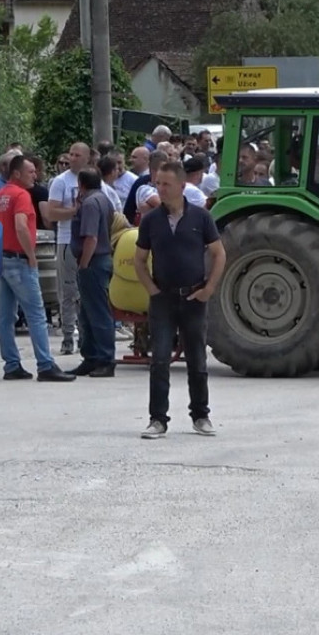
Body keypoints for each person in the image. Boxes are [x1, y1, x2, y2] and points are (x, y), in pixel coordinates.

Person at [134, 162, 227, 438]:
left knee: (197, 360)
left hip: (194, 298)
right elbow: (139, 259)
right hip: (163, 299)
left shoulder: (201, 218)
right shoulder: (151, 220)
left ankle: (200, 415)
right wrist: (151, 289)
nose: (160, 189)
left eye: (166, 184)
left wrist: (209, 288)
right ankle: (158, 419)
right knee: (160, 359)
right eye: (158, 184)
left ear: (182, 186)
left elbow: (219, 254)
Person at [0, 155, 74, 382]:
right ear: (17, 173)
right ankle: (45, 365)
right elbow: (21, 226)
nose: (35, 175)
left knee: (6, 316)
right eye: (31, 172)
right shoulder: (21, 195)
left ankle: (11, 365)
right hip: (19, 259)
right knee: (36, 313)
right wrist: (30, 255)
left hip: (1, 258)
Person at [69, 169, 116, 377]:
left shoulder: (90, 203)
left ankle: (105, 359)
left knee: (97, 313)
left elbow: (91, 237)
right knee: (87, 313)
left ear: (81, 184)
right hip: (100, 260)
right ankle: (91, 357)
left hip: (93, 261)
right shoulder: (104, 199)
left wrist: (84, 264)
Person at [45, 142, 91, 355]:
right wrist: (75, 211)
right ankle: (67, 336)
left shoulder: (92, 180)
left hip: (88, 241)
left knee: (86, 292)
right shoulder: (60, 182)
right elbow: (51, 213)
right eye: (71, 154)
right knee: (68, 291)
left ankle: (85, 336)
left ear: (87, 158)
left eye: (77, 155)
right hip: (67, 240)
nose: (72, 158)